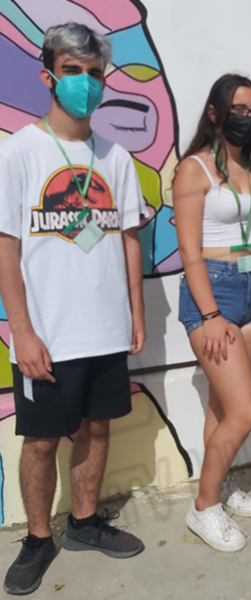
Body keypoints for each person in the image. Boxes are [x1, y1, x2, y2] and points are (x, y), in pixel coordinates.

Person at [0, 23, 146, 595]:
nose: (84, 83)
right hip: (48, 336)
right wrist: (22, 330)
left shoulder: (117, 157)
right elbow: (6, 248)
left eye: (93, 73)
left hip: (105, 330)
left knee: (98, 428)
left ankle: (84, 524)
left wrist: (135, 312)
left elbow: (130, 239)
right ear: (48, 76)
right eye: (71, 71)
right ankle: (39, 539)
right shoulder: (18, 153)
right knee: (39, 441)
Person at [173, 74, 251, 552]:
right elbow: (190, 252)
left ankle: (217, 485)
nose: (249, 118)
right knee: (244, 410)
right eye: (239, 109)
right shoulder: (193, 169)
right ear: (215, 112)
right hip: (213, 293)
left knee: (222, 407)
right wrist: (211, 313)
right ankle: (203, 507)